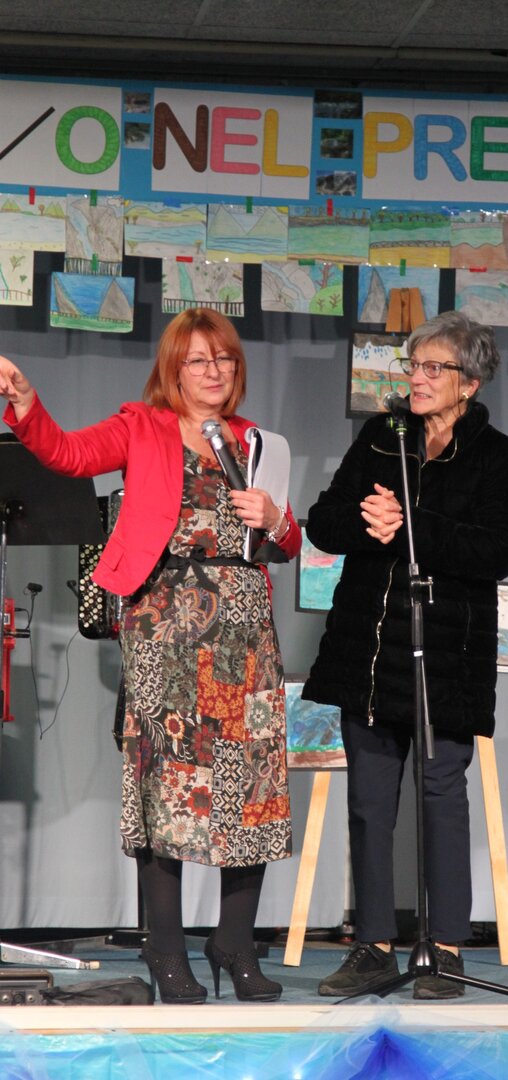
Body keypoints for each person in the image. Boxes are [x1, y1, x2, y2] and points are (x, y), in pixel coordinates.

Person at [0, 308, 301, 1003]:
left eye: (224, 358)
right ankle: (166, 947)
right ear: (174, 370)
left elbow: (285, 542)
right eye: (199, 360)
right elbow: (68, 455)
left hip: (245, 631)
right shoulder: (143, 426)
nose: (214, 371)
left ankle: (234, 941)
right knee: (168, 786)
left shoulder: (259, 443)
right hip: (167, 625)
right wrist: (26, 404)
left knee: (252, 786)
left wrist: (277, 520)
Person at [303, 311, 508, 999]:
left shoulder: (497, 455)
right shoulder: (381, 436)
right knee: (370, 804)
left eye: (435, 368)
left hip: (446, 658)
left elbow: (497, 551)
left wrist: (410, 525)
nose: (418, 378)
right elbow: (324, 522)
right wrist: (366, 523)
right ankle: (372, 946)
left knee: (441, 800)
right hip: (368, 653)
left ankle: (446, 949)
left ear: (471, 382)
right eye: (414, 365)